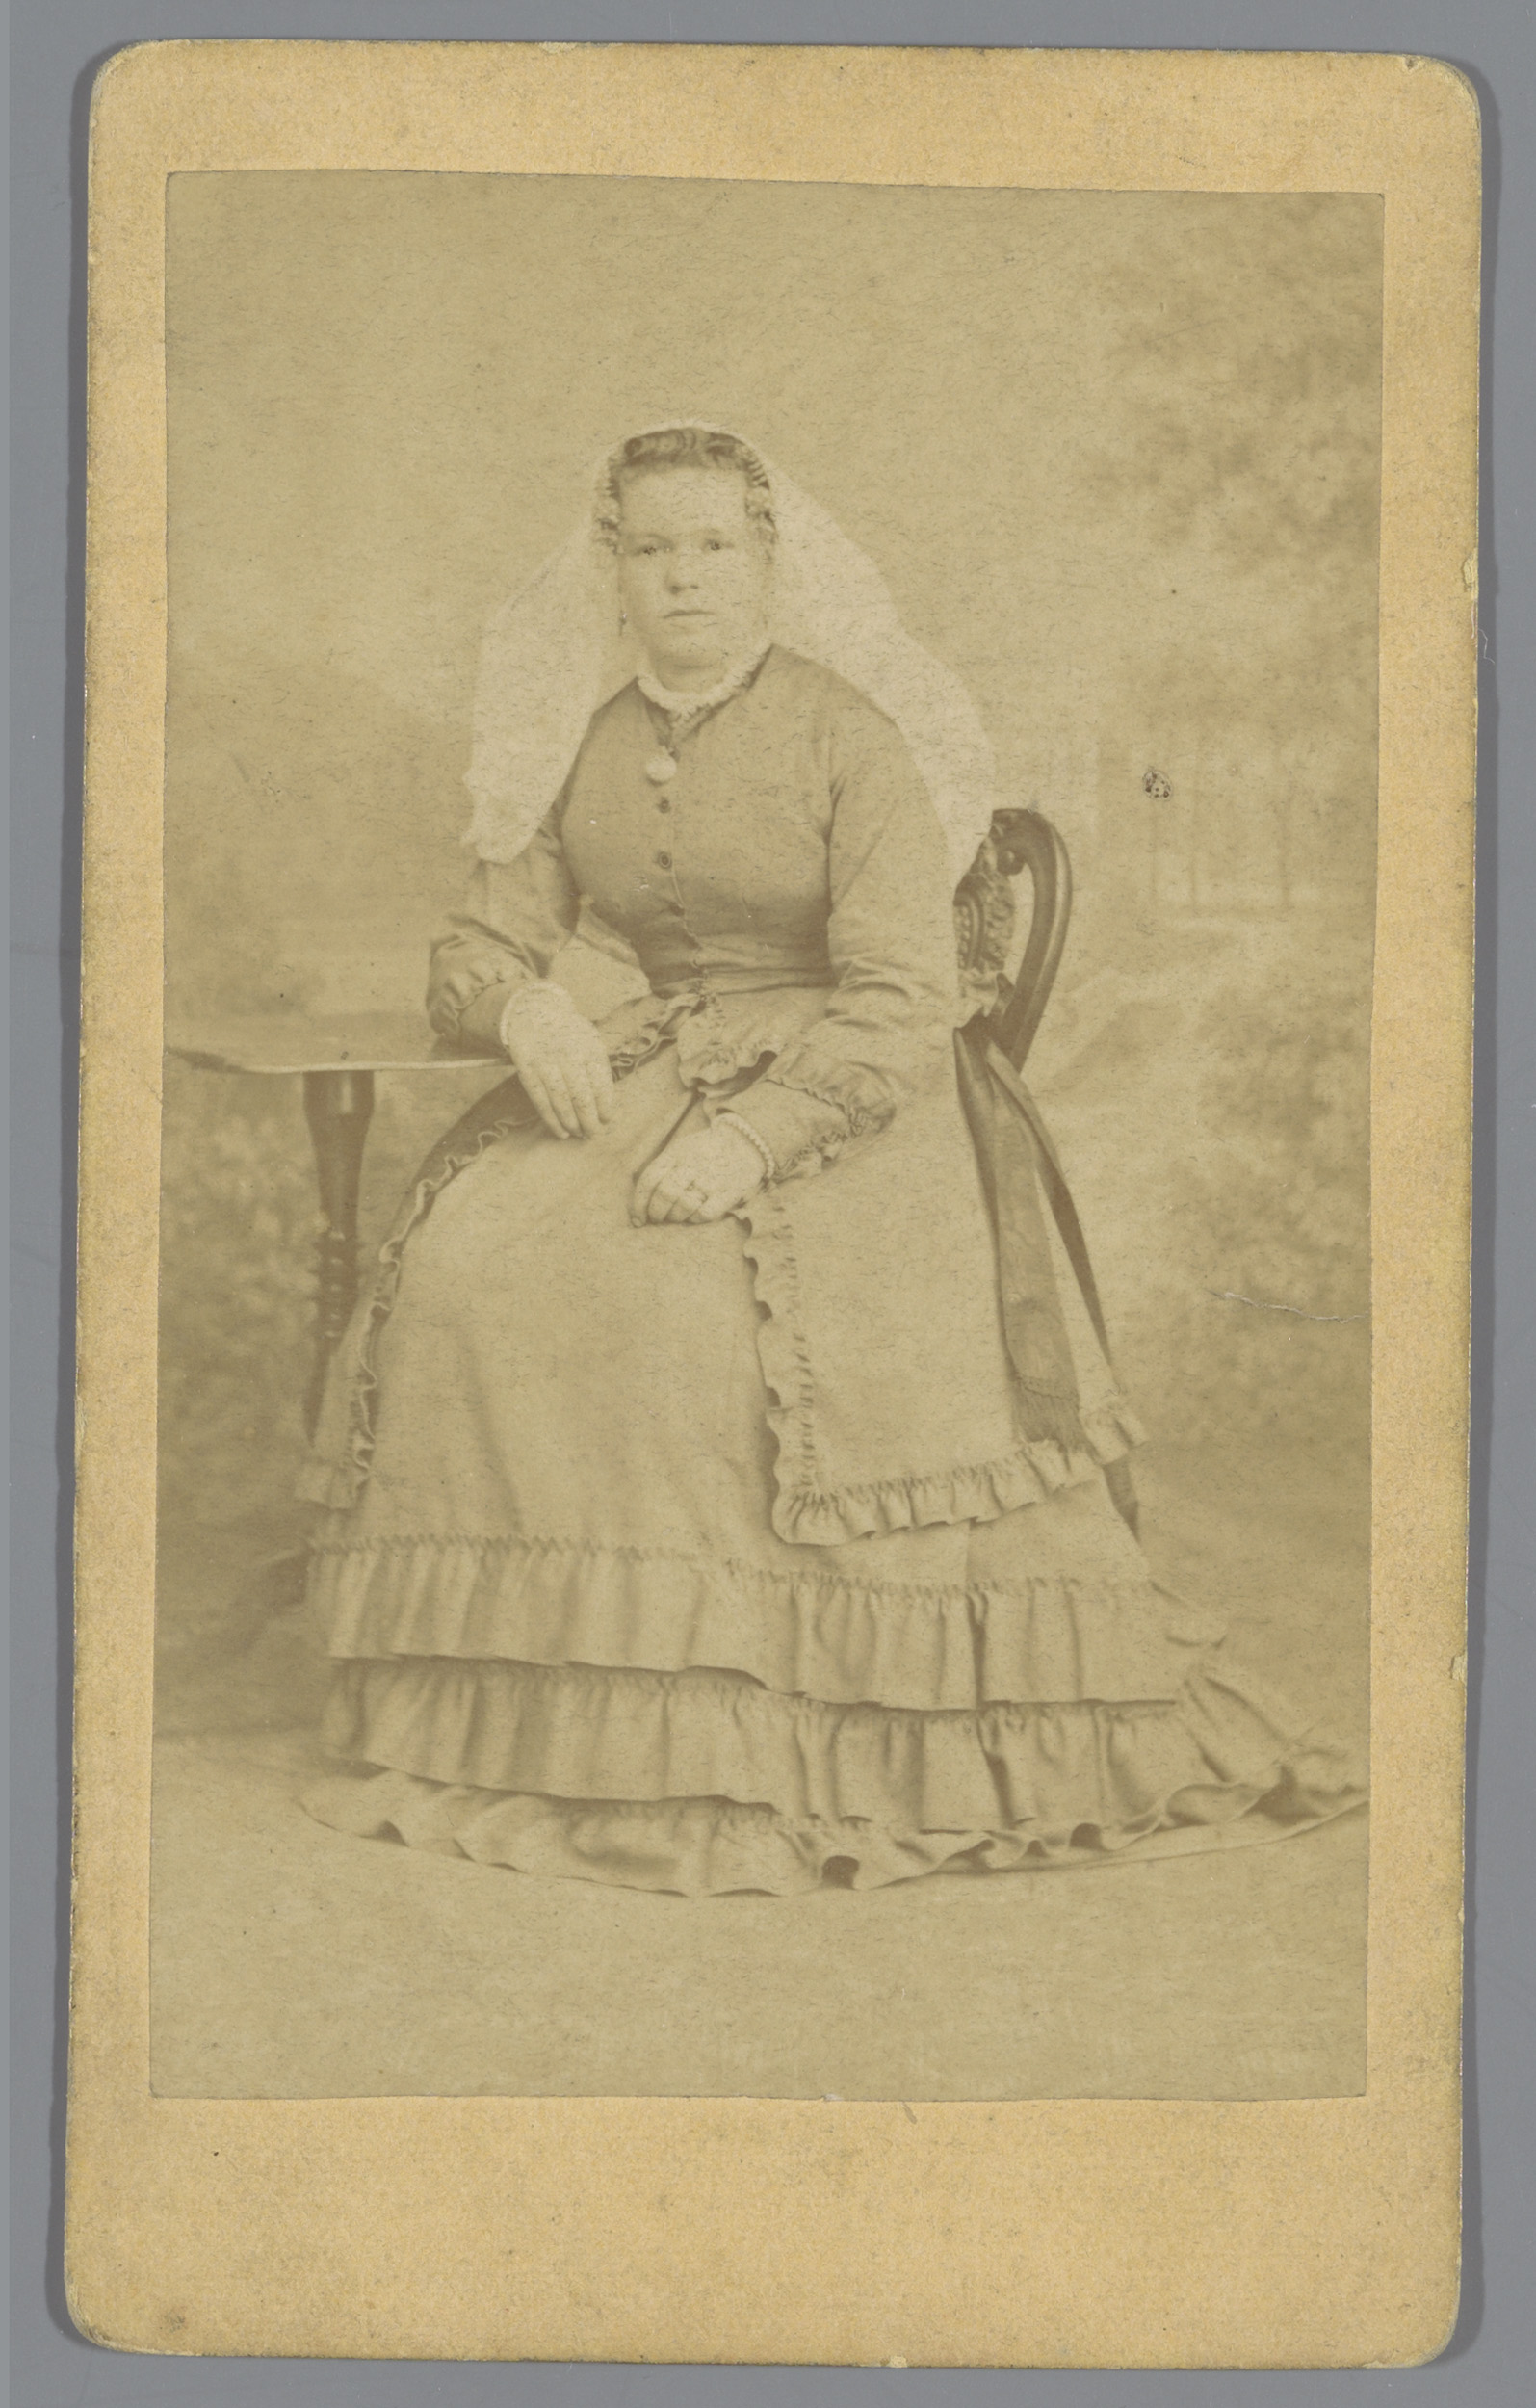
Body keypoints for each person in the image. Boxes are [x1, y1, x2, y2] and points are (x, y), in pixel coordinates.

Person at [299, 422, 1363, 1896]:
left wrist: (752, 1138)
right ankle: (560, 1717)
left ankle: (775, 1720)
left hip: (866, 1088)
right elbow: (480, 940)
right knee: (476, 1273)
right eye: (653, 549)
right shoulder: (582, 742)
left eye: (713, 546)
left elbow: (904, 998)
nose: (684, 578)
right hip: (663, 1060)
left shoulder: (849, 734)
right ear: (614, 571)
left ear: (766, 560)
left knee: (688, 1318)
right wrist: (524, 1006)